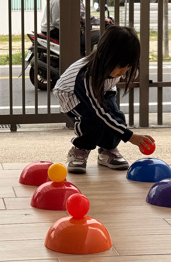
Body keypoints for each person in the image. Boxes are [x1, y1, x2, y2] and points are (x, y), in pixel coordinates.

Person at [54, 25, 154, 174]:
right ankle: (80, 149)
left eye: (127, 67)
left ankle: (107, 150)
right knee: (93, 120)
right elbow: (98, 113)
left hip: (103, 88)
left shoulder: (115, 67)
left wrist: (122, 130)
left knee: (116, 118)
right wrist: (130, 136)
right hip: (71, 94)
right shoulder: (85, 76)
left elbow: (107, 114)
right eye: (120, 67)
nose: (123, 72)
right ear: (104, 57)